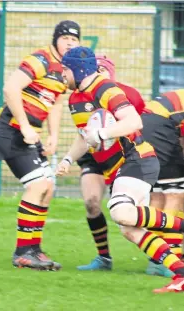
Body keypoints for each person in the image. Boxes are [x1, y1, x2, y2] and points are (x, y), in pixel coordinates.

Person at [57, 46, 184, 293]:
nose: (61, 74)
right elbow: (85, 137)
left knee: (120, 211)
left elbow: (134, 121)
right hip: (119, 168)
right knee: (130, 230)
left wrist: (102, 133)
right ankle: (180, 275)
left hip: (137, 158)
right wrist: (67, 159)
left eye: (64, 69)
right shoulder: (75, 99)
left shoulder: (106, 89)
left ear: (77, 69)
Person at [0, 20, 80, 270]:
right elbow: (10, 88)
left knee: (48, 188)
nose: (69, 43)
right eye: (65, 39)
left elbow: (57, 102)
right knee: (39, 184)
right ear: (55, 40)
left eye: (74, 40)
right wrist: (26, 126)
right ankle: (22, 252)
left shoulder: (66, 68)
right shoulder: (40, 59)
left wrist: (53, 135)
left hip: (29, 134)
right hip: (9, 130)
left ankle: (33, 249)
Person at [75, 55, 147, 272]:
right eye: (93, 70)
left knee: (135, 213)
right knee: (91, 203)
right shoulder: (80, 97)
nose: (97, 75)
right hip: (94, 156)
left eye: (102, 70)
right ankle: (103, 258)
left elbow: (140, 125)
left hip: (125, 156)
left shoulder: (128, 94)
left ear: (110, 74)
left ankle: (158, 259)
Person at [141, 89, 184, 276]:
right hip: (160, 127)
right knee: (176, 193)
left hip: (147, 125)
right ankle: (172, 257)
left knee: (158, 194)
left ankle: (156, 260)